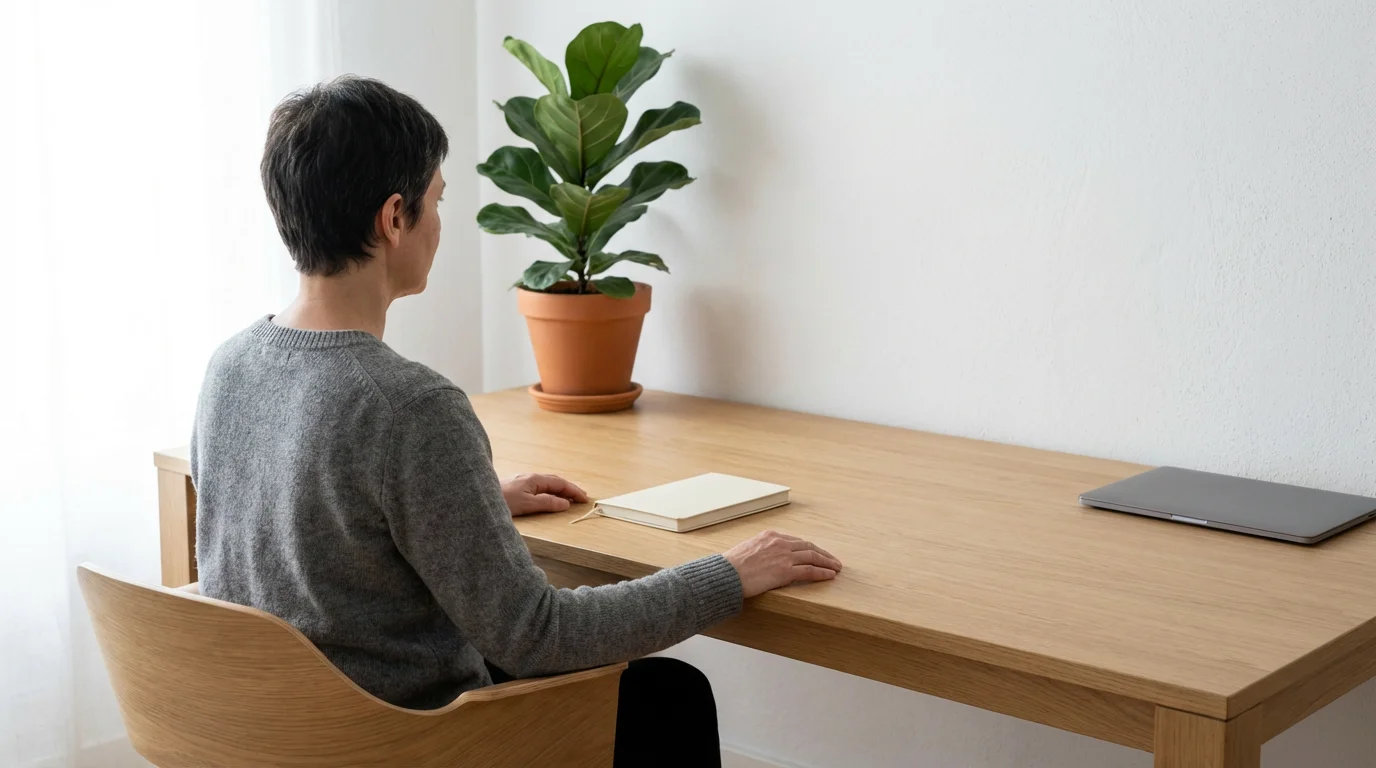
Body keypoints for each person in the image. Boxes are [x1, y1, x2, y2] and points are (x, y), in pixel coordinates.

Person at [190, 75, 843, 767]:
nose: (441, 223)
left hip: (291, 735)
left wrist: (458, 506)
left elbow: (304, 533)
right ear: (393, 218)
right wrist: (730, 574)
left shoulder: (231, 365)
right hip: (411, 741)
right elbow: (537, 635)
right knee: (669, 697)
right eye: (436, 199)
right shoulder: (407, 406)